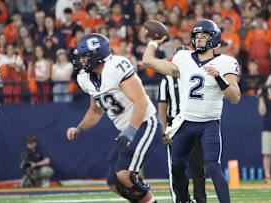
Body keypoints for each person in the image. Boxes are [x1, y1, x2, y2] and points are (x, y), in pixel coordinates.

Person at [143, 19, 241, 203]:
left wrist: (218, 77)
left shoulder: (225, 62)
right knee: (177, 167)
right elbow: (147, 61)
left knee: (212, 166)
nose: (199, 40)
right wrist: (153, 42)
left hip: (209, 123)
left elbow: (235, 97)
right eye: (197, 36)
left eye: (204, 36)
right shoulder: (183, 58)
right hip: (186, 122)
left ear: (214, 39)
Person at [66, 33, 162, 203]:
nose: (81, 61)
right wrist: (79, 128)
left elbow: (140, 101)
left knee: (124, 175)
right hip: (126, 130)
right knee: (114, 182)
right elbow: (95, 111)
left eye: (85, 56)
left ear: (97, 56)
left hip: (145, 124)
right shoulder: (85, 77)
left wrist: (132, 129)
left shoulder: (116, 66)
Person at [158, 45, 206, 203]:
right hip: (175, 128)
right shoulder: (167, 80)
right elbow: (162, 106)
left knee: (198, 168)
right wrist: (164, 130)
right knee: (176, 169)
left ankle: (200, 200)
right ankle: (180, 200)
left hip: (195, 123)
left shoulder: (196, 75)